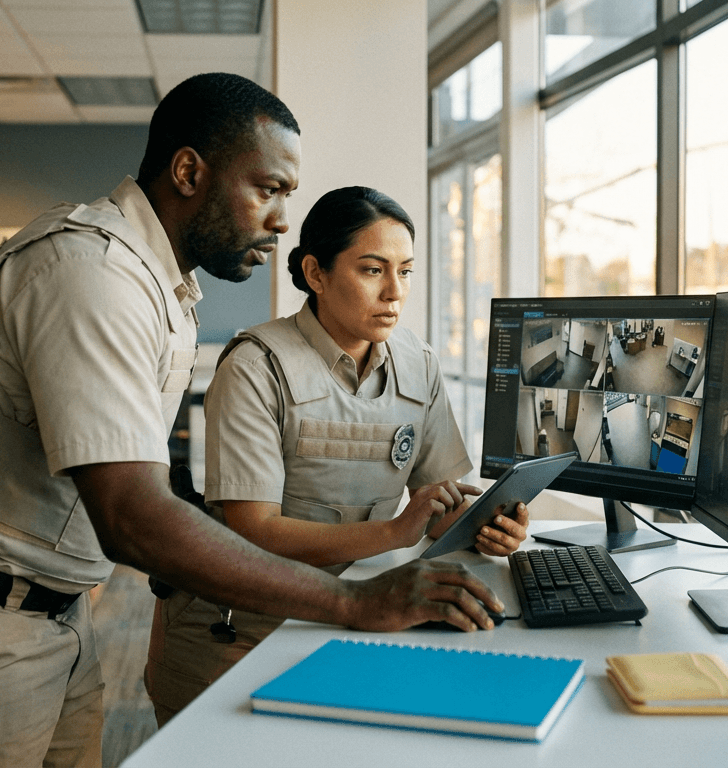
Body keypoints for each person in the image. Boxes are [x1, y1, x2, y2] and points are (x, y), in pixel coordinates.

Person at [0, 73, 502, 767]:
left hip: (55, 611)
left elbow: (125, 478)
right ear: (189, 172)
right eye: (268, 190)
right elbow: (130, 517)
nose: (280, 220)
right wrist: (353, 603)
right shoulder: (91, 274)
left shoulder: (166, 291)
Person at [145, 187, 531, 725]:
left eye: (406, 271)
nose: (395, 292)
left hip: (357, 616)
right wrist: (397, 532)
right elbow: (255, 530)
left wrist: (480, 522)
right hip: (239, 631)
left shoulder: (417, 363)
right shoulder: (256, 366)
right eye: (373, 270)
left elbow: (432, 504)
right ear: (317, 273)